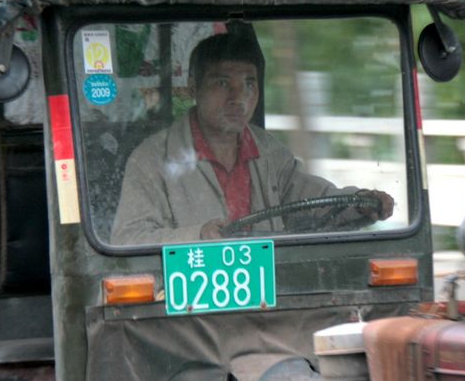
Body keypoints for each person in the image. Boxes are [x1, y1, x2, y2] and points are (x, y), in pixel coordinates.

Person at [112, 31, 394, 244]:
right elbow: (128, 239)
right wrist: (197, 236)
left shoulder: (269, 152)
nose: (239, 98)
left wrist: (357, 202)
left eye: (249, 84)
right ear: (193, 87)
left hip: (272, 303)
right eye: (222, 83)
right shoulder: (151, 159)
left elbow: (315, 200)